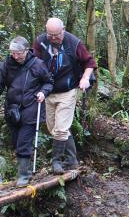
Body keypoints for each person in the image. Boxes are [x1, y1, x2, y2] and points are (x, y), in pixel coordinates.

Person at [33, 18, 97, 174]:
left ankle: (56, 162)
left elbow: (90, 63)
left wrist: (85, 78)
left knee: (61, 129)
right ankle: (72, 160)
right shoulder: (41, 42)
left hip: (68, 91)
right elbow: (33, 62)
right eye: (50, 35)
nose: (54, 38)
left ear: (63, 29)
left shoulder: (73, 42)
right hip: (48, 91)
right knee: (53, 128)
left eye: (57, 35)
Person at [0, 36, 53, 186]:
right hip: (12, 108)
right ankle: (26, 170)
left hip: (31, 106)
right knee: (16, 140)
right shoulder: (6, 65)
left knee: (24, 141)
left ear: (26, 50)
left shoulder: (38, 64)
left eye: (19, 53)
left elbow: (49, 82)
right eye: (13, 53)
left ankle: (23, 175)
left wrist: (43, 92)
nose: (16, 56)